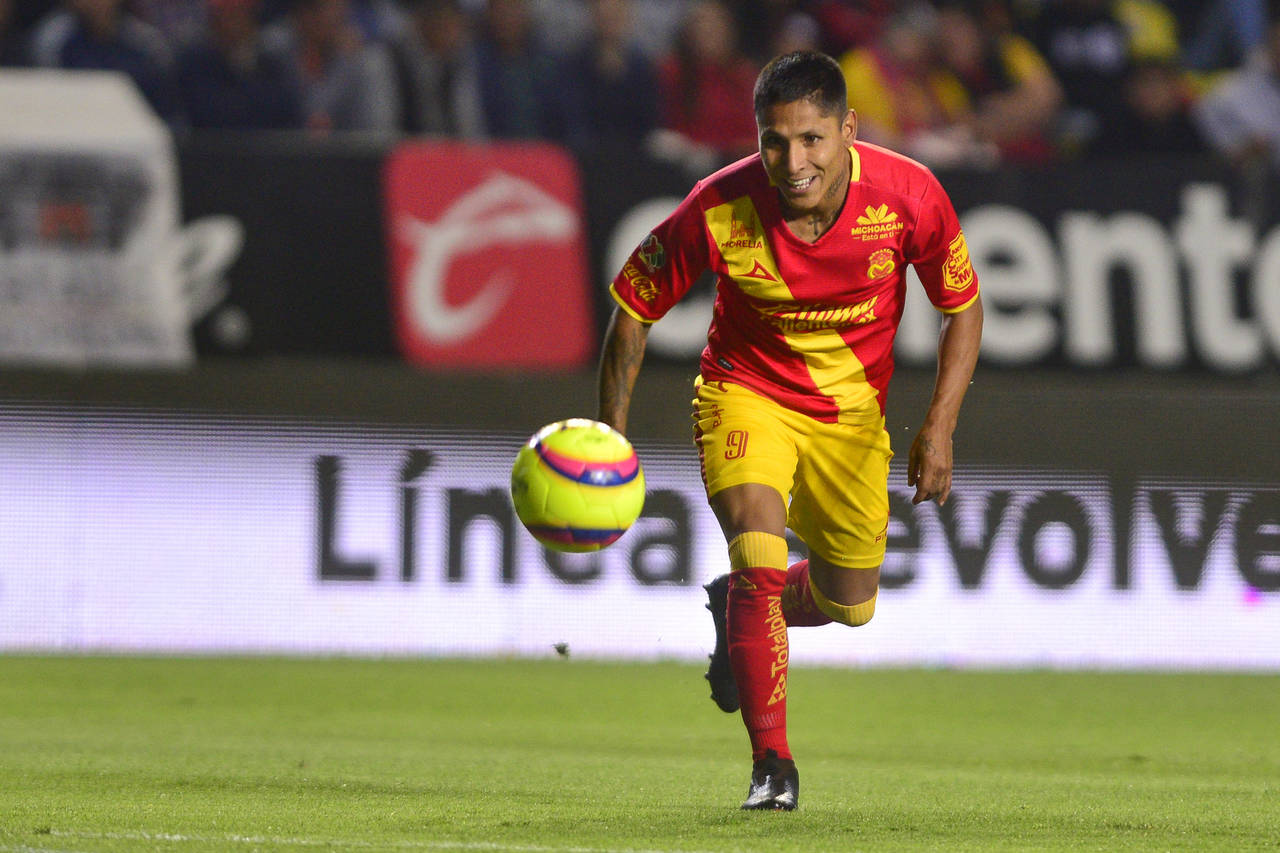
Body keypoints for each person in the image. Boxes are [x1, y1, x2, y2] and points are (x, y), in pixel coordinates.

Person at [597, 50, 983, 810]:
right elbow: (635, 307)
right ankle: (772, 765)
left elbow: (962, 307)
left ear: (848, 129)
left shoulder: (909, 196)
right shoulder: (719, 205)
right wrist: (610, 437)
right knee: (759, 554)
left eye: (811, 139)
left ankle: (738, 608)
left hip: (850, 418)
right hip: (745, 394)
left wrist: (939, 424)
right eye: (775, 141)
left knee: (851, 602)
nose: (793, 161)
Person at [176, 0, 304, 130]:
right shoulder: (195, 62)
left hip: (268, 141)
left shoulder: (270, 61)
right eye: (226, 16)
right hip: (214, 142)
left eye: (240, 15)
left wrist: (244, 61)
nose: (233, 25)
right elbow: (211, 113)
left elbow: (287, 107)